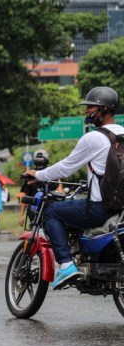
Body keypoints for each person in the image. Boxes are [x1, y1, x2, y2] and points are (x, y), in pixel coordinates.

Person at [25, 86, 124, 290]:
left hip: (101, 208)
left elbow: (65, 167)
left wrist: (38, 174)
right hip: (120, 207)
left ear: (105, 109)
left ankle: (67, 265)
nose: (87, 112)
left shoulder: (94, 137)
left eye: (91, 108)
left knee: (52, 212)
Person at [19, 149, 49, 227]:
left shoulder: (51, 175)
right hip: (34, 208)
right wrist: (21, 215)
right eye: (37, 159)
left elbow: (59, 190)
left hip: (48, 207)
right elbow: (24, 196)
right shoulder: (30, 176)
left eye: (41, 159)